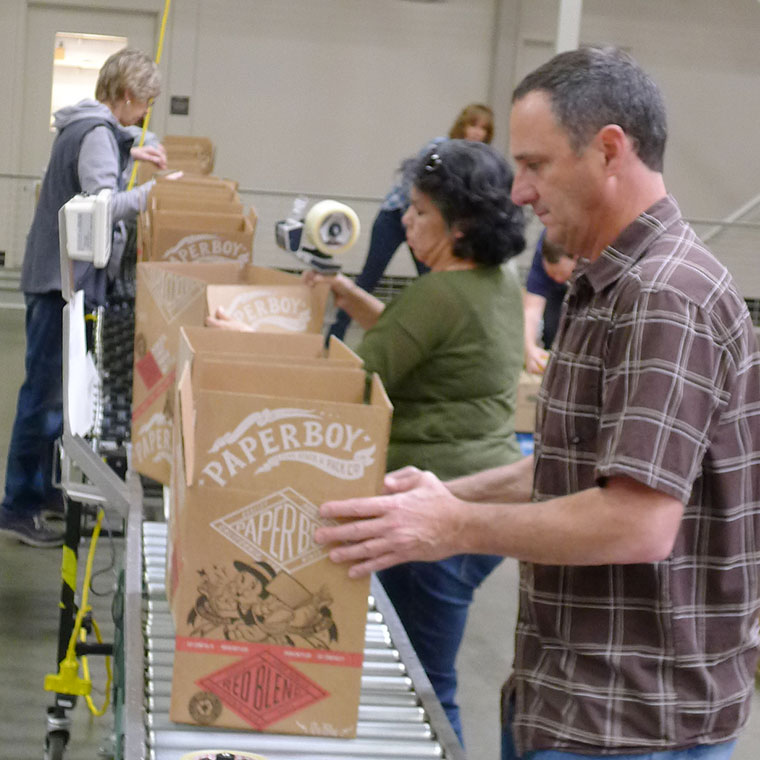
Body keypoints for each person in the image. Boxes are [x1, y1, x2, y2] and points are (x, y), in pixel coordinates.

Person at [313, 46, 760, 760]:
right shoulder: (604, 285)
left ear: (609, 150)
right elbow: (567, 467)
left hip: (631, 723)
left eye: (536, 165)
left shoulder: (664, 298)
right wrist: (437, 501)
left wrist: (454, 528)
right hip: (568, 692)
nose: (519, 193)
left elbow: (636, 521)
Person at [209, 138, 526, 744]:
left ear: (459, 227)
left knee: (424, 687)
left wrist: (251, 337)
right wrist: (350, 294)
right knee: (430, 675)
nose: (405, 221)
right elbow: (425, 340)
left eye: (420, 212)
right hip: (489, 490)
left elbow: (350, 382)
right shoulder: (496, 280)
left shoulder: (437, 295)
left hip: (433, 502)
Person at [0, 48, 167, 548]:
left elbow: (111, 148)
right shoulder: (96, 134)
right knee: (46, 398)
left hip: (55, 278)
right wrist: (151, 195)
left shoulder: (87, 126)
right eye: (144, 105)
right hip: (60, 283)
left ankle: (37, 491)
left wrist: (135, 147)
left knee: (56, 397)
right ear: (126, 95)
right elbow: (101, 205)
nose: (144, 115)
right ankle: (18, 505)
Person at [327, 103, 495, 341]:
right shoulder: (440, 147)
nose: (478, 132)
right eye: (473, 125)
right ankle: (333, 337)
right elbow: (412, 181)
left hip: (431, 227)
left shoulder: (479, 162)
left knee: (433, 282)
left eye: (484, 129)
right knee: (369, 278)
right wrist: (416, 216)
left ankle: (432, 338)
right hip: (394, 216)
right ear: (462, 125)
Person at [522, 230, 575, 373]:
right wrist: (529, 348)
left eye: (562, 275)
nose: (558, 279)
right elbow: (532, 308)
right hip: (555, 296)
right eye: (553, 274)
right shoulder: (544, 248)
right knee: (552, 329)